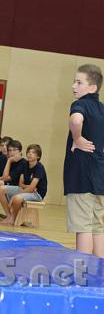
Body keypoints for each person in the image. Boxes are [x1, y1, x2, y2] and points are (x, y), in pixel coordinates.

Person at [63, 64, 104, 257]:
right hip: (99, 175)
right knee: (98, 226)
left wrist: (77, 138)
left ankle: (83, 270)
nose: (74, 86)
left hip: (81, 176)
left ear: (92, 88)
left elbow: (76, 120)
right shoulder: (102, 110)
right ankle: (99, 270)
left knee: (83, 225)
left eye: (79, 82)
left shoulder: (80, 104)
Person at [0, 144, 47, 225]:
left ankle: (13, 219)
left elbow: (32, 189)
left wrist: (17, 194)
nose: (30, 154)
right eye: (28, 152)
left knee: (17, 198)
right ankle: (9, 216)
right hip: (27, 190)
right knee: (1, 189)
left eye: (33, 152)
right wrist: (28, 186)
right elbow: (21, 184)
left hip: (37, 194)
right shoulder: (25, 164)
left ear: (38, 156)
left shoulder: (39, 167)